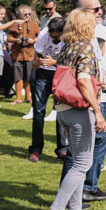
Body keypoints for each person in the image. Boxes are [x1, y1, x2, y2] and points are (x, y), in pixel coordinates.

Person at [43, 8, 105, 210]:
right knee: (82, 164)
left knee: (77, 161)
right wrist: (97, 110)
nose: (97, 22)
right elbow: (83, 81)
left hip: (63, 110)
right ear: (86, 26)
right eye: (94, 20)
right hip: (79, 110)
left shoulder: (67, 47)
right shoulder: (86, 48)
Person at [61, 0, 106, 201]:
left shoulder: (72, 42)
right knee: (83, 152)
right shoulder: (82, 44)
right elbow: (84, 78)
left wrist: (105, 75)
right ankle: (73, 196)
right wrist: (97, 108)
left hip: (75, 102)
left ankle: (77, 200)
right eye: (95, 10)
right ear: (83, 14)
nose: (100, 12)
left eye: (100, 8)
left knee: (80, 151)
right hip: (84, 101)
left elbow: (88, 69)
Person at [28, 17, 65, 162]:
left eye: (57, 37)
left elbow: (70, 60)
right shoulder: (44, 35)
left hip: (60, 74)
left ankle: (62, 149)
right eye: (52, 36)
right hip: (43, 74)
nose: (54, 39)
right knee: (38, 111)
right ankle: (36, 148)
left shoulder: (69, 36)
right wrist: (37, 63)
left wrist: (54, 62)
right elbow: (36, 58)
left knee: (61, 111)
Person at [6, 5, 39, 107]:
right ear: (20, 14)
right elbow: (8, 38)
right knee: (18, 77)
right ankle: (18, 98)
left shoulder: (34, 25)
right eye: (25, 14)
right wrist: (16, 40)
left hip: (30, 54)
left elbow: (40, 37)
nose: (27, 16)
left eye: (29, 14)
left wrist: (32, 41)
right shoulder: (14, 25)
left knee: (29, 77)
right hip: (18, 55)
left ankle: (28, 97)